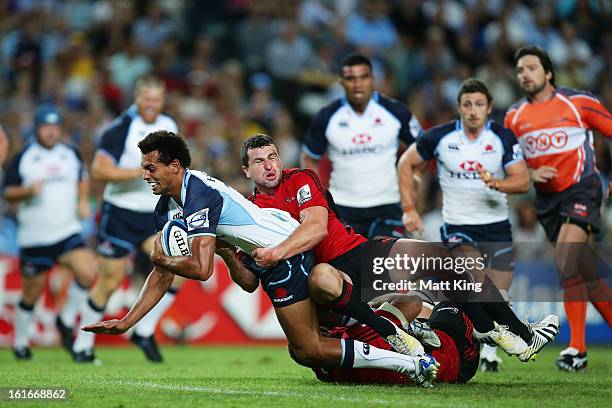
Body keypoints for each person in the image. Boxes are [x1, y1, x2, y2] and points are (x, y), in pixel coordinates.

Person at [82, 130, 440, 388]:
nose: (144, 175)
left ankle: (413, 358)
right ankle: (409, 352)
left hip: (288, 255)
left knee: (310, 348)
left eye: (150, 168)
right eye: (144, 168)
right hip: (272, 262)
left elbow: (201, 270)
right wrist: (127, 321)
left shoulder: (200, 195)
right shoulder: (168, 208)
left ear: (175, 166)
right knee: (306, 352)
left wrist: (162, 257)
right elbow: (175, 276)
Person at [241, 134, 558, 363]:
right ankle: (404, 333)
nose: (270, 166)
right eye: (259, 161)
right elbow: (249, 280)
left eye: (273, 157)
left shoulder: (300, 179)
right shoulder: (249, 213)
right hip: (329, 282)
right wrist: (225, 250)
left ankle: (516, 334)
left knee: (448, 264)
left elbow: (317, 227)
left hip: (358, 255)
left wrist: (274, 252)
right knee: (328, 281)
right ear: (246, 171)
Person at [397, 78, 531, 372]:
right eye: (467, 105)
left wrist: (496, 182)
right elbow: (406, 163)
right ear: (459, 107)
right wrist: (409, 208)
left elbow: (523, 180)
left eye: (479, 104)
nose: (473, 110)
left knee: (497, 297)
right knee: (474, 277)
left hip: (497, 228)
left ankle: (490, 352)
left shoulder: (502, 138)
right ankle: (495, 338)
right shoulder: (441, 137)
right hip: (459, 227)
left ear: (489, 108)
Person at [505, 45, 612, 372]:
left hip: (583, 189)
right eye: (520, 69)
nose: (525, 74)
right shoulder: (514, 118)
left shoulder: (579, 103)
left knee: (566, 260)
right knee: (586, 273)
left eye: (531, 68)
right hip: (548, 202)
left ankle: (577, 349)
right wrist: (531, 173)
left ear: (548, 72)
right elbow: (510, 164)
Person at [71, 76, 180, 363]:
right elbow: (98, 171)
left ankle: (143, 330)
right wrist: (142, 171)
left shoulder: (170, 126)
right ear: (137, 97)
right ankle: (82, 346)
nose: (151, 104)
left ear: (162, 100)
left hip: (155, 214)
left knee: (179, 269)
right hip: (120, 213)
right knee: (110, 279)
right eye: (146, 98)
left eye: (156, 99)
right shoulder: (121, 128)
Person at [3, 105, 96, 359]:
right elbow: (8, 191)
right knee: (31, 293)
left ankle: (65, 320)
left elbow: (83, 178)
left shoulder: (70, 154)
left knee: (88, 272)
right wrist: (27, 191)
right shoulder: (23, 158)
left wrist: (82, 201)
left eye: (55, 127)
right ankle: (20, 342)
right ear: (37, 128)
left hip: (67, 232)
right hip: (35, 237)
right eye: (46, 127)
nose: (51, 132)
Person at [302, 53, 422, 239]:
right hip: (342, 207)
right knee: (346, 267)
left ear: (372, 79)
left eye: (363, 77)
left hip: (388, 206)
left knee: (382, 260)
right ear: (341, 82)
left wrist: (413, 183)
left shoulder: (396, 112)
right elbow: (310, 158)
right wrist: (319, 201)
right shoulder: (327, 117)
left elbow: (422, 149)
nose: (358, 84)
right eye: (351, 78)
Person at [314, 296, 480, 385]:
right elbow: (412, 301)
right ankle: (501, 325)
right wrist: (371, 306)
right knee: (459, 293)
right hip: (458, 354)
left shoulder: (326, 372)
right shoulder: (364, 330)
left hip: (442, 365)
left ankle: (413, 328)